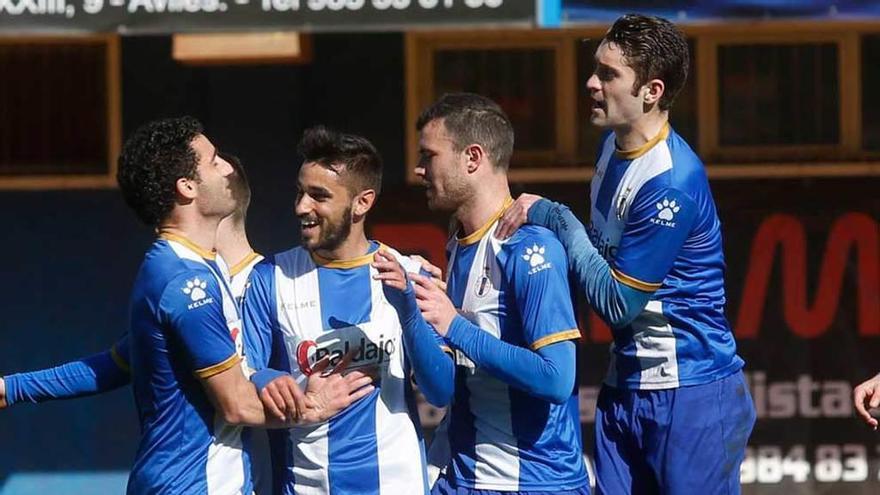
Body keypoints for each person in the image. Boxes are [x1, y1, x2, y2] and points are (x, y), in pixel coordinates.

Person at [495, 14, 756, 494]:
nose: (591, 84)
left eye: (609, 75)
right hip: (626, 386)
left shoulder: (671, 181)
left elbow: (617, 302)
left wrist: (556, 217)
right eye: (595, 69)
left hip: (691, 393)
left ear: (651, 91)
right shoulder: (610, 149)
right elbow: (594, 256)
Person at [114, 116, 374, 494]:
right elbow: (237, 405)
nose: (227, 168)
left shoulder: (195, 265)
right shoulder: (189, 282)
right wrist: (311, 407)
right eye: (214, 160)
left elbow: (120, 361)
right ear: (187, 186)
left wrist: (15, 387)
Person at [241, 125, 455, 495]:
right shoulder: (270, 278)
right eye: (299, 193)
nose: (301, 207)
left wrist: (408, 313)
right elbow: (249, 375)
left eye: (318, 196)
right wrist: (286, 389)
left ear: (362, 202)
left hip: (395, 484)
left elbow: (441, 391)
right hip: (304, 486)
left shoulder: (409, 274)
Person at [411, 93, 590, 494]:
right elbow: (444, 391)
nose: (418, 169)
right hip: (464, 476)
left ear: (472, 158)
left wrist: (455, 326)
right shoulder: (457, 245)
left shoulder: (530, 247)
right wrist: (413, 317)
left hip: (536, 484)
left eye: (429, 155)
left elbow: (557, 378)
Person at [0, 152, 259, 410]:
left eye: (215, 163)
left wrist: (269, 378)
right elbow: (117, 364)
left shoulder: (272, 282)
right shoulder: (178, 281)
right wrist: (11, 387)